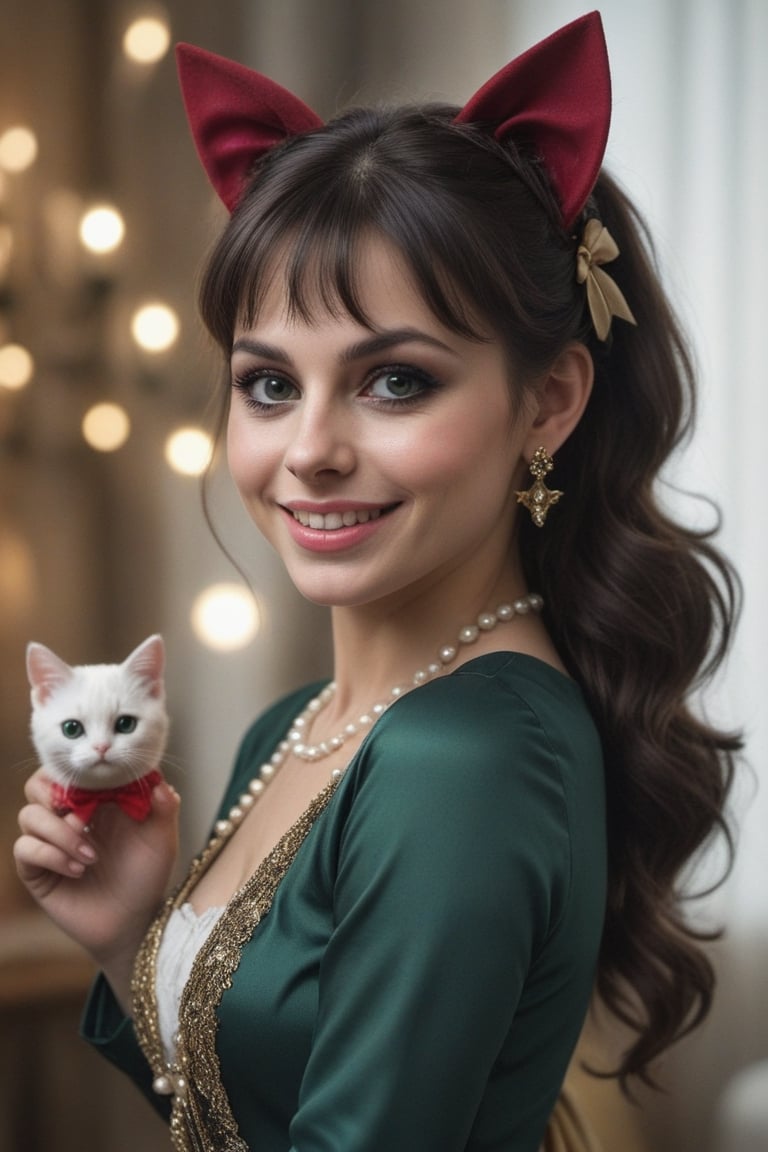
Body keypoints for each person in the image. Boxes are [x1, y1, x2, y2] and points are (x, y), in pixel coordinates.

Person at [14, 12, 740, 1152]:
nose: (309, 450)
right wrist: (127, 940)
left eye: (394, 381)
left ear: (548, 402)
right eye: (267, 385)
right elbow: (253, 1112)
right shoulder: (288, 732)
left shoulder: (463, 758)